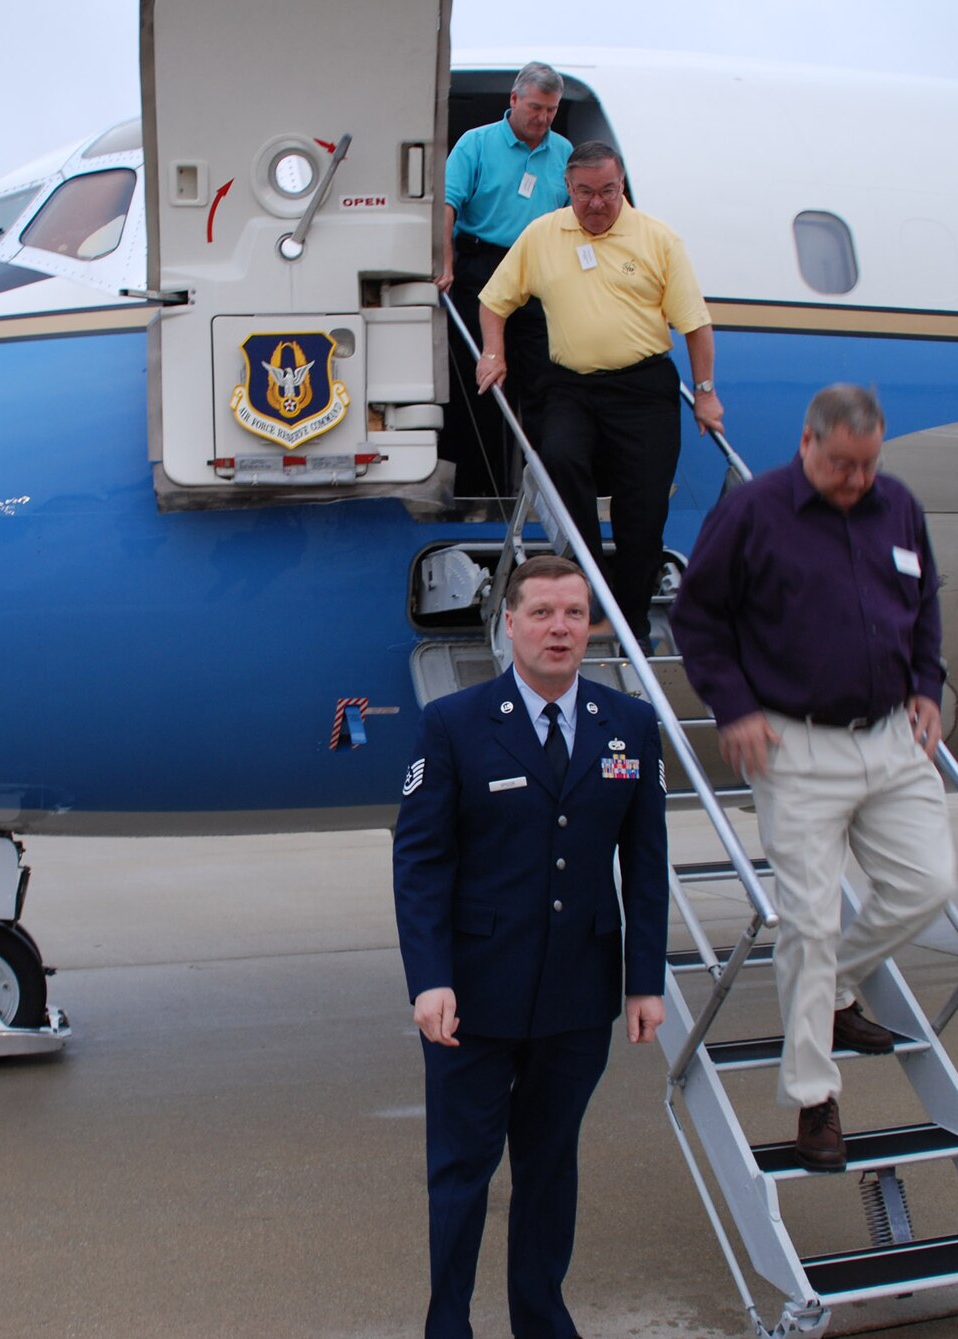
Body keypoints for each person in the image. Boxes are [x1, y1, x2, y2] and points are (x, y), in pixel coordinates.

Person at [667, 384, 956, 1173]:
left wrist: (927, 684)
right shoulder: (755, 513)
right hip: (794, 747)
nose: (856, 480)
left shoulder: (897, 506)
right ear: (807, 442)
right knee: (808, 919)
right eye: (841, 465)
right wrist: (733, 707)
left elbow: (925, 599)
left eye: (867, 465)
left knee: (927, 883)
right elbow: (697, 617)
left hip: (892, 737)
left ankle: (833, 989)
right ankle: (813, 1097)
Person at [394, 553, 669, 1339]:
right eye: (542, 612)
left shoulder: (631, 725)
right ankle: (448, 1325)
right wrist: (430, 977)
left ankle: (543, 1323)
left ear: (593, 626)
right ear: (507, 622)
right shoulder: (453, 723)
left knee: (550, 1170)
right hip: (470, 999)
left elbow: (645, 864)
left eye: (574, 614)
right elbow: (418, 862)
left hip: (578, 996)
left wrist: (643, 981)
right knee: (462, 1174)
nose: (559, 628)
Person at [477, 140, 722, 645]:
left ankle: (628, 621)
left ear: (621, 186)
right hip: (572, 386)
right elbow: (494, 301)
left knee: (644, 511)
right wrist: (493, 353)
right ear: (567, 189)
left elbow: (695, 325)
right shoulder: (542, 234)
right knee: (559, 459)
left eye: (607, 191)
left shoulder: (658, 239)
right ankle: (589, 585)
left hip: (644, 390)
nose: (596, 203)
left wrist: (705, 393)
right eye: (584, 192)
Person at [436, 62, 572, 497]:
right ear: (513, 100)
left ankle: (541, 492)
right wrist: (446, 261)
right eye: (535, 107)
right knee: (482, 382)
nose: (543, 118)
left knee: (542, 382)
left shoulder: (564, 152)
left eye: (551, 110)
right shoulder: (475, 144)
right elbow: (448, 206)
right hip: (481, 265)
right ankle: (480, 490)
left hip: (537, 274)